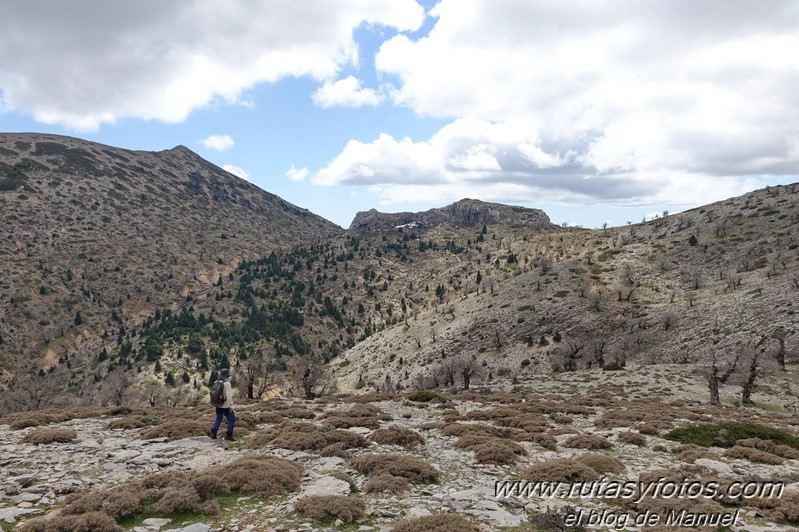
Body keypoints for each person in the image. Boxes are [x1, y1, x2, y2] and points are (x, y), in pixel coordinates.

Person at [210, 368, 235, 441]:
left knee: (218, 418)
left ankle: (213, 434)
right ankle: (229, 435)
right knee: (231, 419)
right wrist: (231, 406)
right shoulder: (227, 383)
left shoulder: (216, 381)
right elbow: (229, 396)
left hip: (218, 404)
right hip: (225, 405)